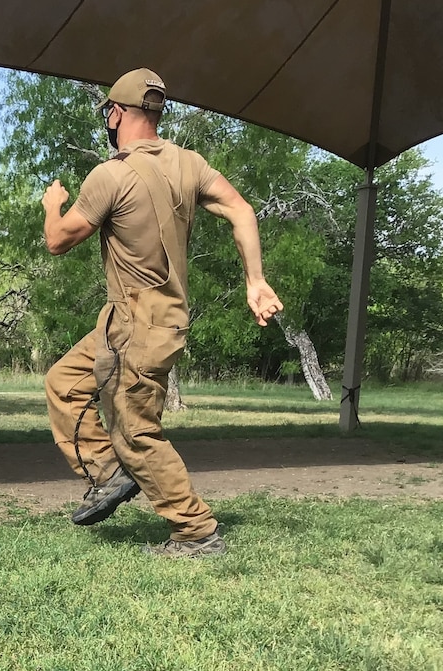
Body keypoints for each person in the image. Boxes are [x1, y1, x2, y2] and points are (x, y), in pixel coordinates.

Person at [41, 69, 282, 557]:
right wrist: (254, 279)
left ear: (116, 113)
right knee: (64, 383)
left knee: (135, 429)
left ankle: (196, 532)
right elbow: (242, 210)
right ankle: (109, 475)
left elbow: (57, 240)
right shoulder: (189, 165)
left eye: (107, 113)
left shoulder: (109, 174)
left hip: (137, 325)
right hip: (138, 320)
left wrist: (53, 204)